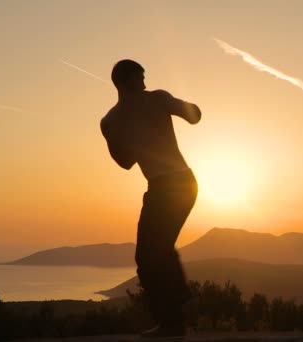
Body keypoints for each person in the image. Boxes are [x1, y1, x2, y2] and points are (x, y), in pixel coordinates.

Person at [100, 59, 201, 338]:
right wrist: (176, 106)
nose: (145, 82)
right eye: (141, 77)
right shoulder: (154, 100)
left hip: (169, 184)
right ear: (129, 80)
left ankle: (176, 312)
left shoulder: (111, 120)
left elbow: (124, 161)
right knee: (155, 251)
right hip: (176, 183)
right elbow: (195, 116)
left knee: (151, 253)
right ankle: (177, 311)